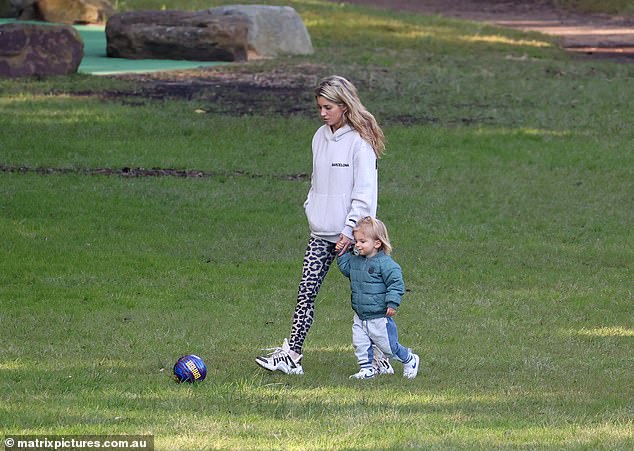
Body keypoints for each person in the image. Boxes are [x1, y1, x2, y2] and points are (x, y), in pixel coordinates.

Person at [256, 75, 389, 375]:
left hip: (357, 238)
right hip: (321, 233)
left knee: (368, 300)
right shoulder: (319, 137)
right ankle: (292, 355)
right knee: (306, 291)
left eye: (328, 107)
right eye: (319, 107)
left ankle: (383, 358)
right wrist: (312, 209)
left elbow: (364, 194)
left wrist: (348, 232)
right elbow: (317, 182)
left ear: (344, 106)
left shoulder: (360, 143)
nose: (322, 113)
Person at [337, 217, 420, 379]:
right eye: (356, 241)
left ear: (377, 243)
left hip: (379, 315)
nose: (357, 245)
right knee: (360, 344)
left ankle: (410, 359)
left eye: (362, 241)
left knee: (388, 346)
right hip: (360, 314)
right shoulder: (356, 261)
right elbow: (346, 269)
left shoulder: (386, 264)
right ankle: (367, 369)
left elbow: (396, 283)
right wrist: (341, 253)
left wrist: (392, 303)